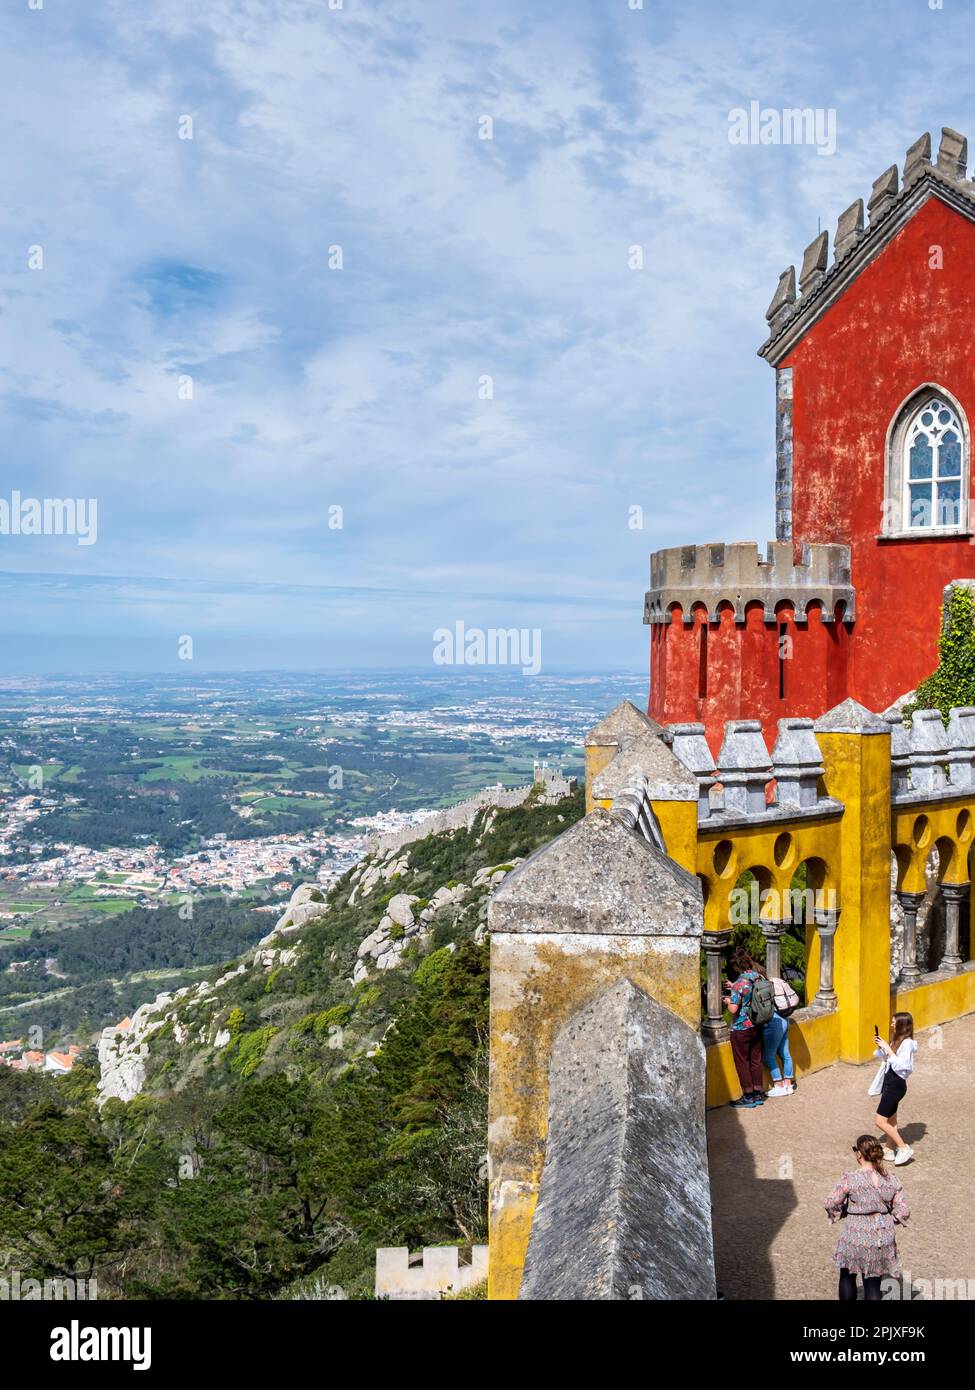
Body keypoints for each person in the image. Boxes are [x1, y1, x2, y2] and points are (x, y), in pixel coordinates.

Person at [824, 1134, 910, 1301]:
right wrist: (889, 1219)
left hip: (855, 1234)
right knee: (873, 1282)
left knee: (847, 1275)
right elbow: (904, 1209)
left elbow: (831, 1202)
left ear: (859, 1154)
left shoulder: (850, 1179)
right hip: (881, 1236)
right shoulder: (891, 1179)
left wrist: (841, 1212)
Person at [723, 948, 770, 1108]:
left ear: (736, 967)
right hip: (757, 1024)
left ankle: (748, 1096)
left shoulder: (740, 983)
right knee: (756, 1059)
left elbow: (734, 1010)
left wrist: (729, 1001)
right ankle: (758, 1094)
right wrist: (734, 986)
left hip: (742, 1028)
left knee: (742, 1062)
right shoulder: (758, 977)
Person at [869, 1011, 918, 1165]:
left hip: (896, 1085)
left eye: (894, 1022)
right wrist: (882, 1047)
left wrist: (888, 1049)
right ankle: (889, 1150)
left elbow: (904, 1066)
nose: (891, 1024)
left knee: (879, 1120)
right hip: (889, 1082)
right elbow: (887, 1059)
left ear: (902, 1024)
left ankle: (903, 1148)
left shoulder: (908, 1043)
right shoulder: (897, 1040)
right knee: (891, 1119)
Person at [763, 974, 799, 1097]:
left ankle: (778, 1085)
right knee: (785, 1054)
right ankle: (788, 1085)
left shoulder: (765, 986)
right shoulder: (776, 981)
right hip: (785, 1019)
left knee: (768, 1056)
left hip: (775, 1022)